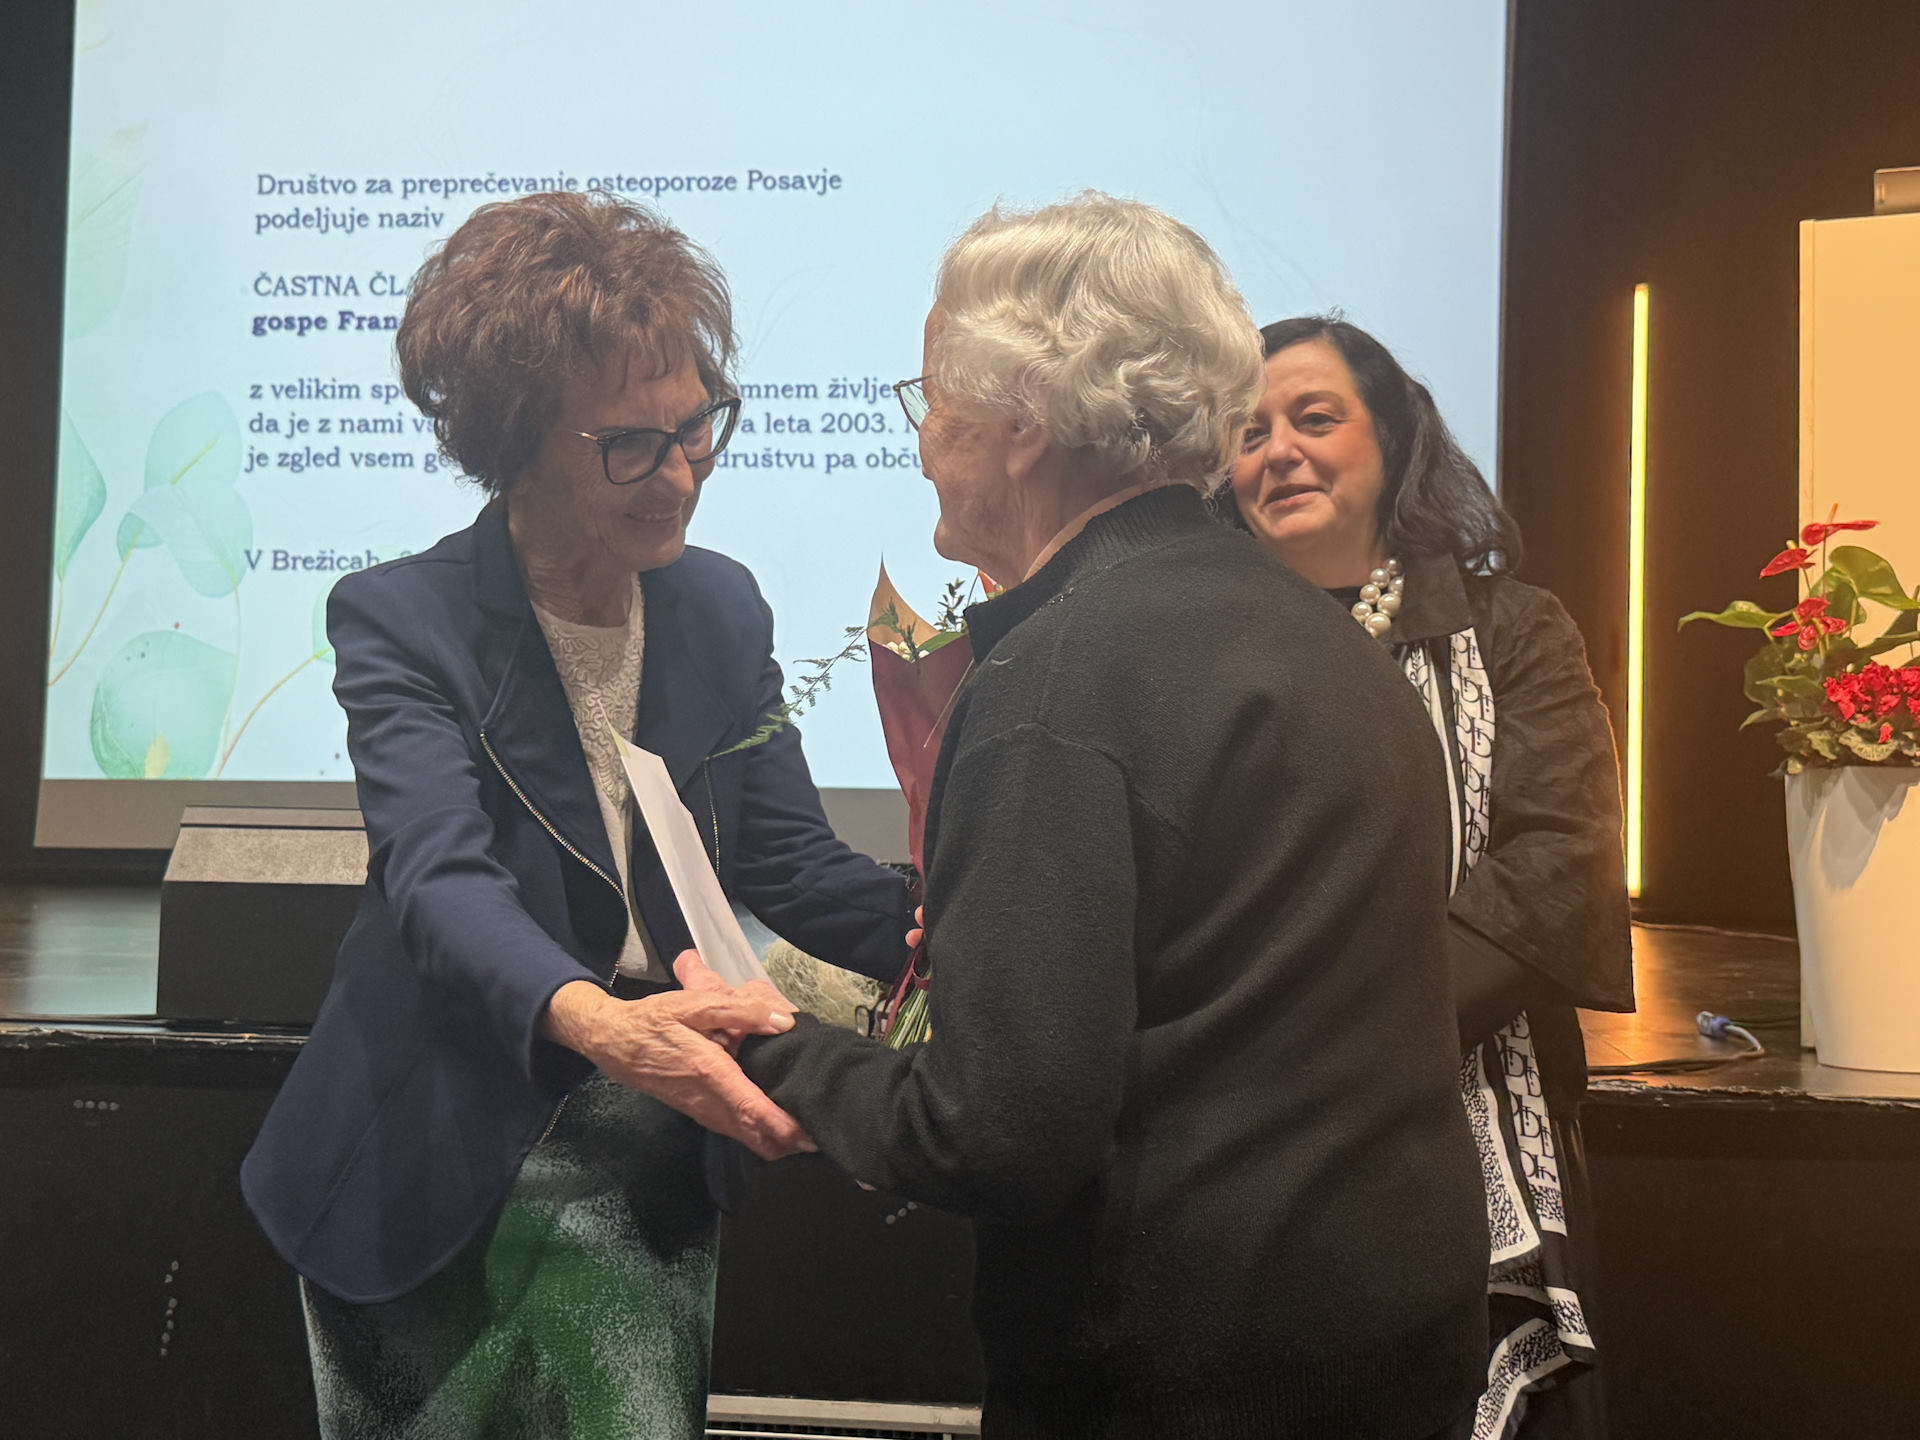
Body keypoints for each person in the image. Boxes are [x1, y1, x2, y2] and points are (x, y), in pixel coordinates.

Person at [698, 194, 1490, 1439]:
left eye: (931, 399)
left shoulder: (1056, 681)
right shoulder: (1328, 638)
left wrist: (772, 1047)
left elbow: (996, 1137)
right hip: (1392, 1347)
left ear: (1022, 421)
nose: (921, 442)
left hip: (1185, 1375)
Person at [240, 191, 913, 1439]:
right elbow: (439, 884)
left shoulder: (719, 608)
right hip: (433, 1156)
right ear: (517, 441)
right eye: (631, 446)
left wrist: (968, 925)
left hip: (652, 1158)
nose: (681, 473)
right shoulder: (407, 620)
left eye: (697, 427)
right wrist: (606, 1026)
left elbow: (790, 865)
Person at [1222, 316, 1635, 1440]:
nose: (1279, 451)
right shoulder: (1199, 648)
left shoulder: (1512, 631)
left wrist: (1340, 1041)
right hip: (1244, 1149)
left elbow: (1555, 870)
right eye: (1248, 432)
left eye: (1315, 418)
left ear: (1394, 439)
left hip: (1460, 1122)